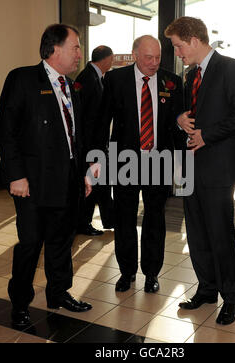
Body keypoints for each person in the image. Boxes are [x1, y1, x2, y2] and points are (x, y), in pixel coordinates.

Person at [0, 24, 92, 327]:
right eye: (75, 47)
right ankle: (20, 304)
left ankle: (59, 292)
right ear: (55, 49)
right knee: (30, 244)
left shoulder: (71, 85)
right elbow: (7, 131)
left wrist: (85, 172)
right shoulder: (23, 79)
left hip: (68, 180)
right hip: (32, 182)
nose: (80, 53)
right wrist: (16, 176)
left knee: (62, 241)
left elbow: (76, 135)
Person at [165, 17, 235, 325]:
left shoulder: (229, 68)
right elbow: (185, 114)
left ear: (193, 40)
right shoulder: (192, 76)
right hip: (191, 168)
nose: (177, 53)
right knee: (197, 235)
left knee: (220, 235)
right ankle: (207, 289)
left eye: (178, 46)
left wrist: (207, 134)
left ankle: (231, 297)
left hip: (218, 169)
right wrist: (180, 120)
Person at [94, 35, 184, 293]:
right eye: (148, 57)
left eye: (158, 57)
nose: (154, 63)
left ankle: (152, 273)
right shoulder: (115, 80)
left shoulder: (172, 82)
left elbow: (179, 126)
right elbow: (102, 123)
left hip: (159, 160)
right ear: (134, 55)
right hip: (125, 161)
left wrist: (181, 166)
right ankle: (126, 271)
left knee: (155, 220)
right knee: (124, 219)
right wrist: (97, 160)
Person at [76, 45, 114, 236]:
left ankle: (109, 219)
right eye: (111, 58)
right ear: (105, 59)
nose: (112, 62)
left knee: (101, 182)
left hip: (97, 145)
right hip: (92, 146)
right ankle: (83, 223)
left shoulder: (96, 77)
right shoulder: (88, 79)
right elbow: (88, 120)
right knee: (92, 184)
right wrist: (92, 152)